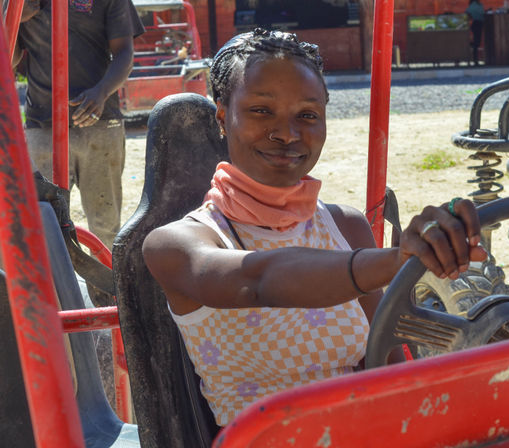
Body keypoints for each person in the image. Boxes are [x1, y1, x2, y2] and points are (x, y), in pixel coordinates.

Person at [142, 28, 488, 427]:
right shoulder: (177, 245)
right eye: (260, 111)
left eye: (307, 115)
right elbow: (261, 278)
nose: (287, 134)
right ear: (223, 117)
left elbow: (389, 364)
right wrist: (393, 261)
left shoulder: (347, 227)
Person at [13, 0, 144, 249]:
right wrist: (11, 18)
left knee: (105, 224)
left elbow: (125, 52)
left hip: (100, 124)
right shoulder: (20, 3)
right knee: (44, 224)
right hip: (43, 125)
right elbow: (10, 58)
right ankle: (57, 288)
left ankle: (105, 287)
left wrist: (101, 92)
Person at [465, 0, 485, 65]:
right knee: (476, 43)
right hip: (477, 24)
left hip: (477, 23)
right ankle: (475, 60)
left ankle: (475, 58)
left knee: (477, 42)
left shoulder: (477, 4)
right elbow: (467, 12)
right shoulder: (475, 4)